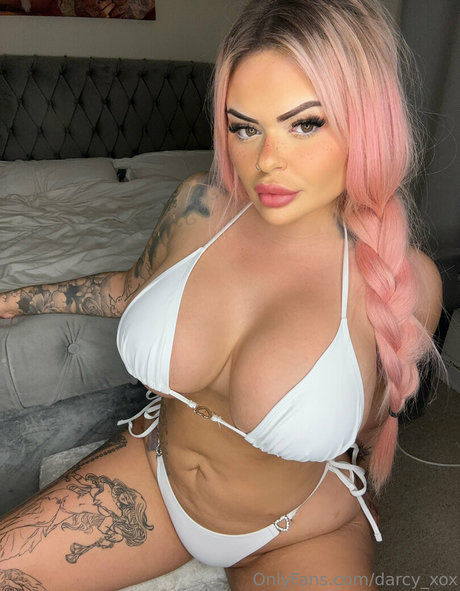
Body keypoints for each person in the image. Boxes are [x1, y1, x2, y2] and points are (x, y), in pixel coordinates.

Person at [0, 0, 443, 589]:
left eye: (305, 123)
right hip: (153, 480)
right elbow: (129, 288)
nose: (267, 162)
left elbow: (369, 429)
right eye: (245, 127)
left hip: (297, 527)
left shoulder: (402, 280)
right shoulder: (198, 206)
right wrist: (11, 300)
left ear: (368, 124)